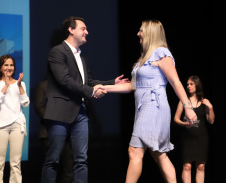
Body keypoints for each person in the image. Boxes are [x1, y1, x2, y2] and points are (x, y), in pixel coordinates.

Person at [101, 19, 197, 183]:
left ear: (150, 33)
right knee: (159, 154)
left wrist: (187, 106)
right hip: (143, 107)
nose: (138, 33)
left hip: (155, 105)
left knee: (134, 151)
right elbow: (132, 86)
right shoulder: (144, 59)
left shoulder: (161, 53)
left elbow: (175, 81)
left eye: (141, 30)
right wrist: (104, 87)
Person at [41, 16, 128, 183]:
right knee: (53, 159)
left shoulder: (81, 57)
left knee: (81, 159)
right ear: (71, 30)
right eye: (83, 28)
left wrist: (111, 83)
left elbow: (88, 82)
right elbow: (65, 80)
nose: (87, 32)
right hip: (60, 112)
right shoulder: (57, 51)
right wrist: (91, 92)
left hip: (80, 112)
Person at [174, 76, 215, 183]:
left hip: (201, 138)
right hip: (187, 138)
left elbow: (211, 121)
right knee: (187, 166)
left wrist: (210, 108)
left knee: (201, 167)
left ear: (197, 85)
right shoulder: (183, 101)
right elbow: (176, 119)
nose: (188, 86)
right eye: (187, 84)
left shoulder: (204, 101)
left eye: (191, 84)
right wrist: (184, 124)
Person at [34, 79, 73, 183]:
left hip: (67, 135)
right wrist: (56, 121)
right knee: (50, 165)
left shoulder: (69, 85)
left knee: (68, 168)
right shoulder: (42, 85)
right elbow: (39, 106)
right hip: (48, 133)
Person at [0, 54, 30, 183]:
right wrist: (6, 85)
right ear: (1, 67)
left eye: (11, 65)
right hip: (1, 126)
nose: (9, 67)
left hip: (17, 125)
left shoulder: (20, 83)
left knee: (15, 163)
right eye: (6, 65)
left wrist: (18, 85)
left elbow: (26, 103)